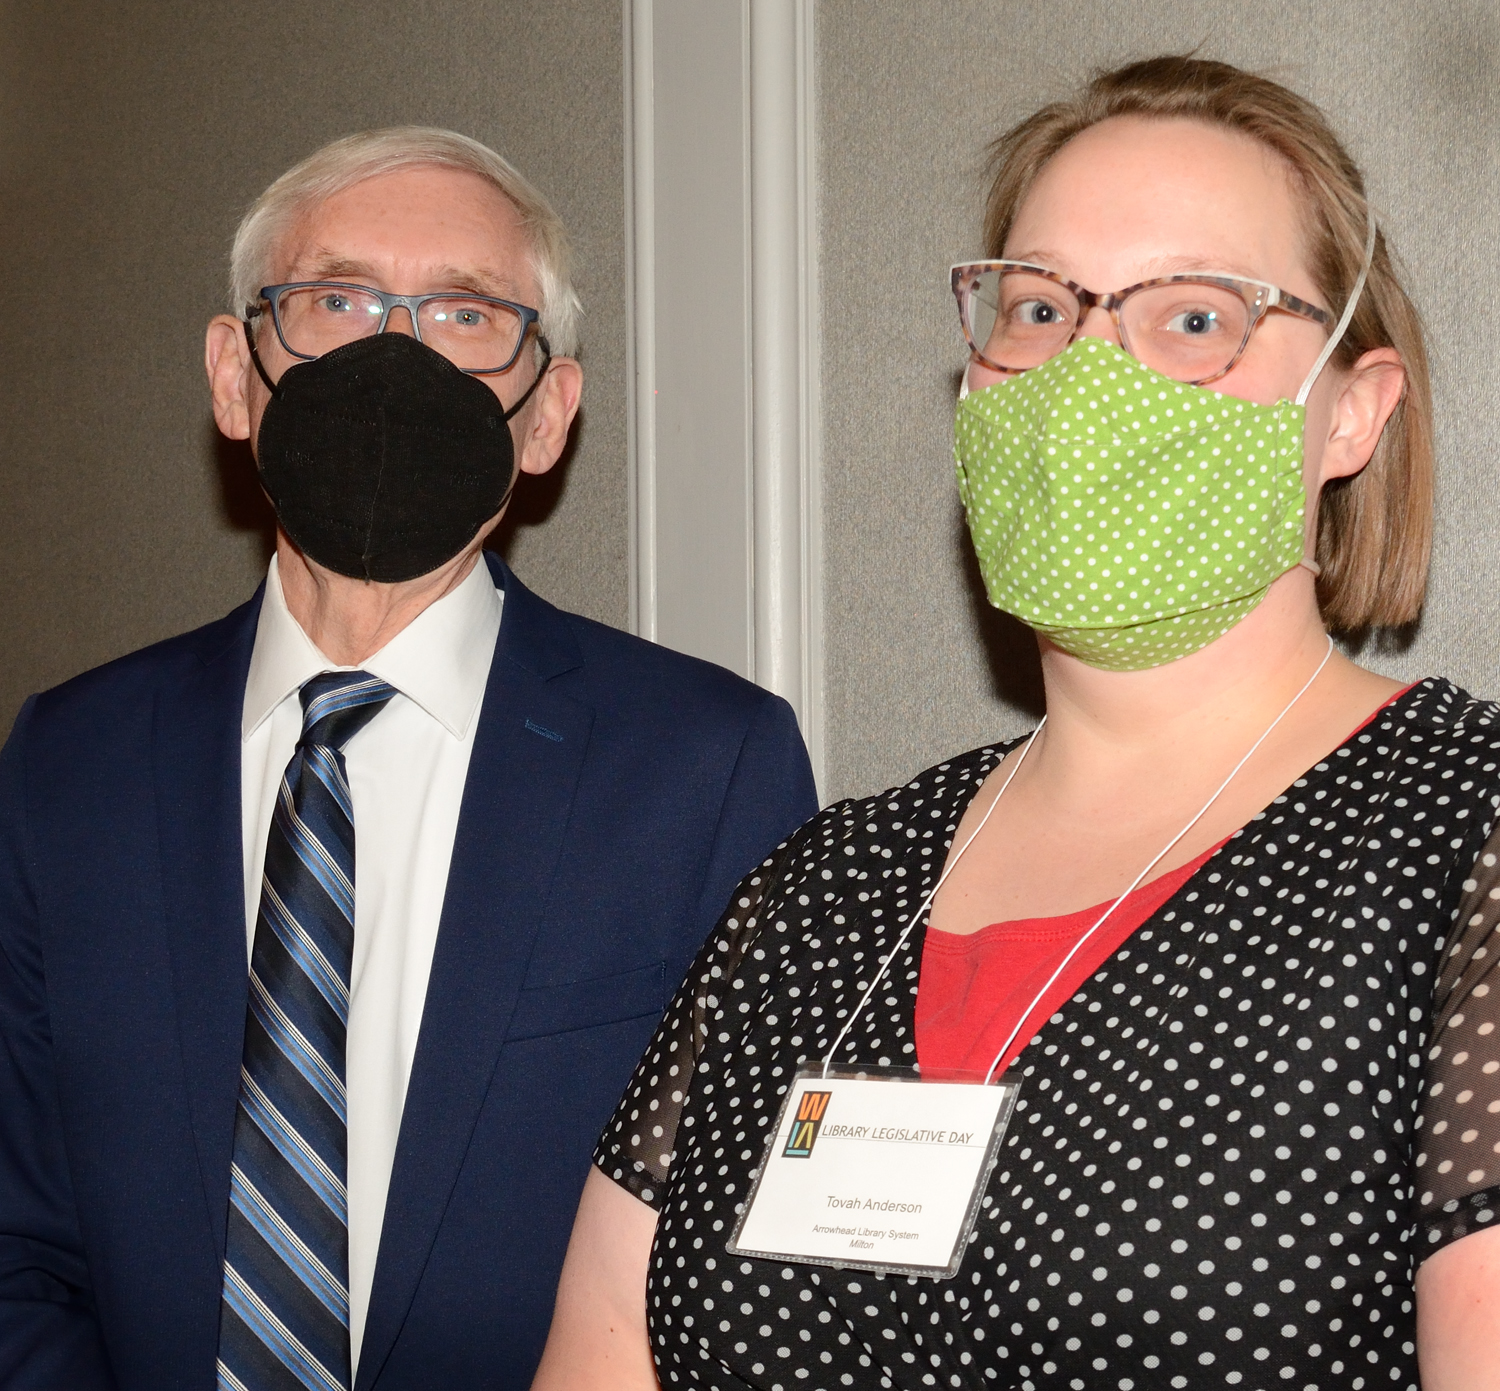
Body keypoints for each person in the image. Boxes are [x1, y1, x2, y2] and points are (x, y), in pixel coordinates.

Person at [534, 57, 1500, 1391]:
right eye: (1040, 306)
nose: (1087, 373)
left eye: (1196, 317)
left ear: (1349, 410)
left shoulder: (1462, 836)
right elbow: (608, 1349)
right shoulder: (822, 888)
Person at [0, 127, 818, 1390]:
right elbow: (21, 1242)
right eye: (336, 301)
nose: (394, 356)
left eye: (466, 312)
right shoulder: (69, 762)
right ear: (234, 375)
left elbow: (738, 1266)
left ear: (548, 414)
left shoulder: (706, 767)